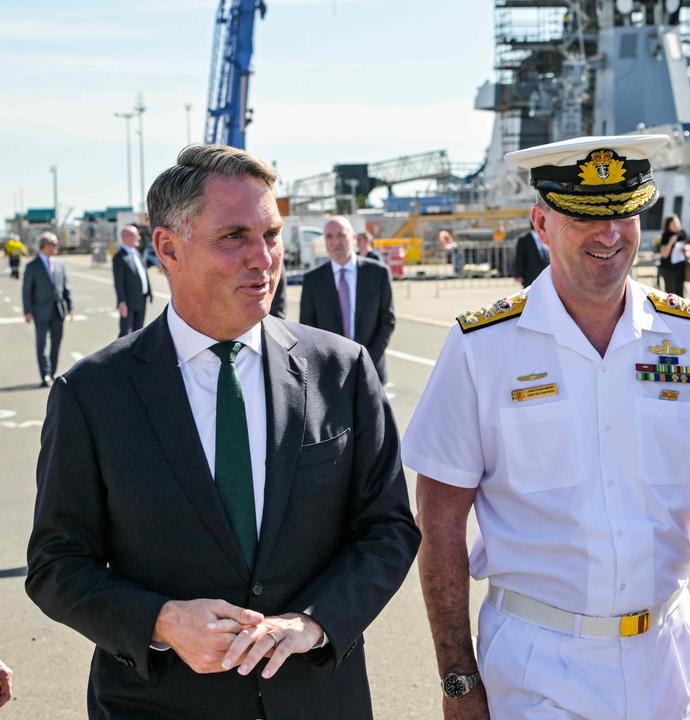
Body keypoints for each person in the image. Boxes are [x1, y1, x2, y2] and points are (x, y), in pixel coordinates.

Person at [24, 144, 420, 720]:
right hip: (159, 704)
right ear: (167, 248)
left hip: (316, 700)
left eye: (272, 234)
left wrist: (313, 622)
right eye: (233, 237)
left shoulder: (341, 370)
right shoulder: (92, 394)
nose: (263, 258)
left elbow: (387, 529)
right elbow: (57, 565)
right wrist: (161, 620)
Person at [406, 135, 690, 720]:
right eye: (585, 217)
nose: (609, 235)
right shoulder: (485, 348)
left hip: (666, 655)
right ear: (542, 222)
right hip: (537, 658)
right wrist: (457, 677)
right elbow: (441, 515)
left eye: (624, 214)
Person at [299, 217, 396, 383]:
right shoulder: (313, 280)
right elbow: (307, 329)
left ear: (354, 238)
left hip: (371, 372)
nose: (335, 242)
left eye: (341, 235)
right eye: (329, 237)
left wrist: (368, 359)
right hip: (330, 376)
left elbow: (388, 320)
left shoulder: (378, 273)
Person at [21, 232, 72, 386]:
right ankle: (44, 374)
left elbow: (65, 287)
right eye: (54, 244)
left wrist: (70, 306)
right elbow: (26, 290)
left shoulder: (59, 264)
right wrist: (27, 311)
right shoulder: (32, 266)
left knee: (56, 343)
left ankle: (53, 372)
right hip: (40, 311)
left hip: (58, 310)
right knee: (41, 344)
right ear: (45, 245)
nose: (57, 247)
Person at [112, 224, 153, 337]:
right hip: (129, 301)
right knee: (125, 332)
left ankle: (134, 354)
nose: (139, 238)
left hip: (141, 298)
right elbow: (118, 282)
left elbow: (143, 273)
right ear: (127, 237)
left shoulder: (136, 252)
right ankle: (120, 355)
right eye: (136, 235)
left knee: (138, 331)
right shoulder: (119, 257)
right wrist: (121, 302)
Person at [656, 214, 690, 295]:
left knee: (680, 292)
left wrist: (686, 248)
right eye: (673, 223)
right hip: (668, 269)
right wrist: (671, 242)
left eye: (677, 222)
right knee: (670, 293)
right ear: (668, 226)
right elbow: (664, 255)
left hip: (680, 267)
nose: (676, 225)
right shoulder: (665, 236)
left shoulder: (683, 233)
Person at [509, 222, 549, 288]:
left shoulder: (544, 238)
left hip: (544, 276)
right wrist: (518, 274)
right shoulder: (524, 240)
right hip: (530, 276)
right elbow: (519, 258)